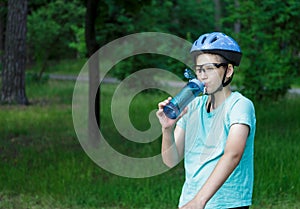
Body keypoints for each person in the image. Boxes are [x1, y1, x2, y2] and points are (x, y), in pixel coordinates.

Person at [156, 32, 256, 209]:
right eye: (199, 69)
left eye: (209, 68)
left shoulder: (240, 106)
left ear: (228, 70)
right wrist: (167, 129)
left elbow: (233, 155)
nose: (202, 76)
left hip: (227, 204)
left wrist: (199, 200)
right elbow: (171, 160)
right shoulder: (192, 106)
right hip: (189, 201)